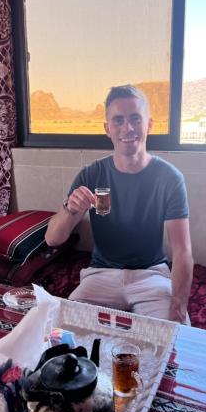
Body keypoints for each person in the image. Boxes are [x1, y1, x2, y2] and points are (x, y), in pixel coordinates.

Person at [45, 85, 193, 324]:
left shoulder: (169, 178)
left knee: (174, 345)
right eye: (118, 120)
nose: (128, 128)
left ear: (149, 124)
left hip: (152, 275)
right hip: (100, 275)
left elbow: (183, 251)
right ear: (107, 128)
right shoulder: (91, 175)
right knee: (65, 333)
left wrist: (178, 307)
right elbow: (52, 239)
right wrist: (70, 209)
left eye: (135, 119)